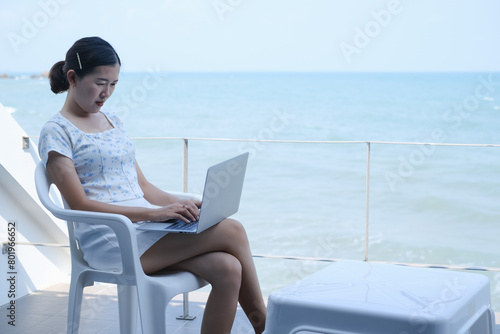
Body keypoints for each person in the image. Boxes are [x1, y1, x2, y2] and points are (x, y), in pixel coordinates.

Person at [39, 36, 266, 334]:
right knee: (232, 230)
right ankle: (265, 324)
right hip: (111, 238)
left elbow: (143, 187)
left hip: (146, 230)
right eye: (100, 83)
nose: (106, 93)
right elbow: (80, 204)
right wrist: (154, 215)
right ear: (73, 77)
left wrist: (178, 204)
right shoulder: (56, 132)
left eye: (114, 84)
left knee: (228, 268)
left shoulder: (113, 121)